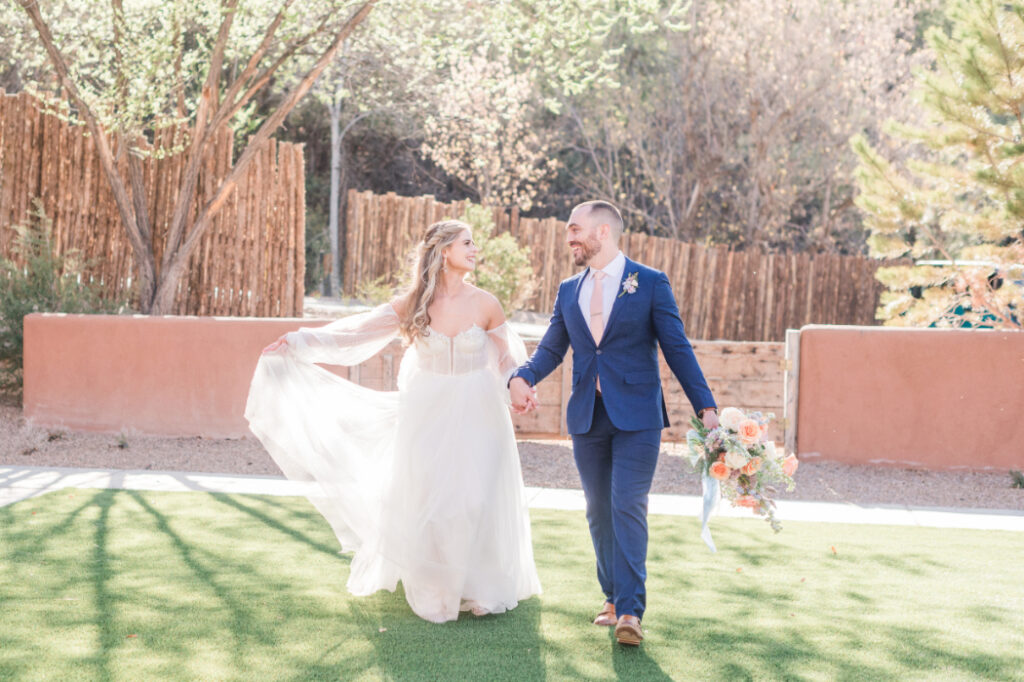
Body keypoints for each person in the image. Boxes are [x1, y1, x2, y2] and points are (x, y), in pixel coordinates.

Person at [246, 219, 541, 623]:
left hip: (478, 410)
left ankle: (481, 586)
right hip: (428, 412)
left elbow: (507, 358)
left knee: (475, 498)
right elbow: (354, 334)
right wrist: (299, 341)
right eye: (467, 243)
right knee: (432, 500)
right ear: (442, 251)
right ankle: (439, 585)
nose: (475, 250)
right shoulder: (413, 303)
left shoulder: (487, 303)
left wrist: (519, 385)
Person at [509, 200, 719, 646]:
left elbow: (677, 349)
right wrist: (521, 376)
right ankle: (610, 597)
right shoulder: (569, 290)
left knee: (627, 503)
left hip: (638, 417)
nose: (569, 238)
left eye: (575, 230)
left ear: (603, 232)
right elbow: (551, 349)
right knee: (598, 510)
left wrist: (707, 408)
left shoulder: (650, 283)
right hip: (587, 416)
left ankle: (630, 611)